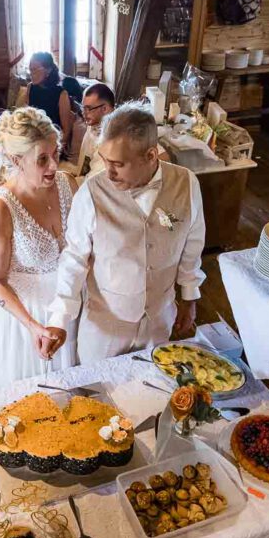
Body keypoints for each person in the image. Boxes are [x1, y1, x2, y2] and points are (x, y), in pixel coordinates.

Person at [42, 104, 205, 364]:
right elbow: (74, 259)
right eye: (105, 160)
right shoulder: (92, 193)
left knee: (154, 395)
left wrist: (189, 298)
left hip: (160, 322)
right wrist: (59, 319)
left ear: (151, 156)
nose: (108, 172)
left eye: (118, 164)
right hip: (104, 329)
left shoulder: (186, 184)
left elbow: (192, 246)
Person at [0, 107, 77, 388]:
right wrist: (34, 326)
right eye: (42, 159)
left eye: (55, 154)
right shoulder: (1, 208)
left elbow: (84, 248)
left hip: (69, 305)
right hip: (25, 318)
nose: (54, 166)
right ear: (16, 159)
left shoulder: (68, 184)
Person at [25, 52, 78, 156]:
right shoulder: (30, 88)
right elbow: (28, 119)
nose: (31, 73)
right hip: (34, 142)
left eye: (34, 69)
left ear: (48, 70)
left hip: (53, 145)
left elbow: (66, 130)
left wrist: (54, 153)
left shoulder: (61, 94)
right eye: (30, 69)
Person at [74, 83, 114, 178]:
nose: (84, 113)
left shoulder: (112, 136)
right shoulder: (94, 124)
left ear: (104, 109)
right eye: (83, 108)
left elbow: (96, 179)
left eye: (88, 108)